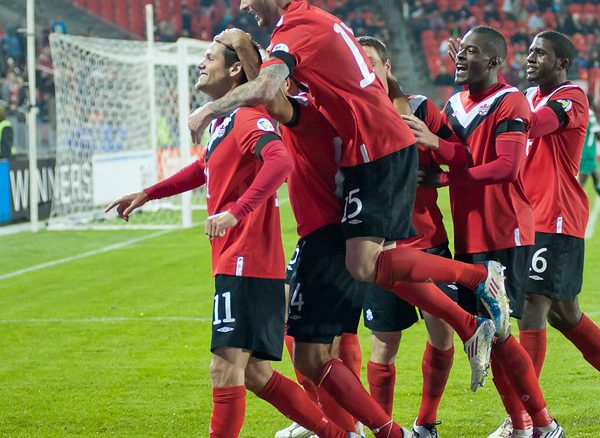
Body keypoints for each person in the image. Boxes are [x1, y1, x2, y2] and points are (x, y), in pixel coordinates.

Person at [187, 1, 510, 406]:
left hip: (369, 160)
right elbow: (272, 94)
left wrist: (212, 107)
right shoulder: (313, 77)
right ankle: (469, 316)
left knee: (344, 312)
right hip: (366, 160)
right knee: (367, 278)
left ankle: (480, 282)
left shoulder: (299, 39)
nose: (243, 5)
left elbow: (268, 92)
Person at [105, 39, 360, 438]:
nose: (200, 64)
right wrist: (148, 193)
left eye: (209, 58)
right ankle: (339, 435)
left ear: (236, 70)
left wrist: (236, 211)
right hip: (239, 262)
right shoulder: (227, 121)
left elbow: (281, 160)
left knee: (224, 368)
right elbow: (202, 168)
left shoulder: (247, 116)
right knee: (257, 374)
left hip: (247, 261)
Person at [217, 30, 410, 438]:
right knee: (323, 344)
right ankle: (356, 428)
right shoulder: (351, 112)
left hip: (326, 235)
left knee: (312, 354)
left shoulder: (313, 114)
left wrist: (244, 45)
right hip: (340, 231)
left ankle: (369, 430)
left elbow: (268, 98)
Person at [409, 26, 564, 438]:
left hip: (505, 232)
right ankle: (525, 423)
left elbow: (506, 167)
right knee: (487, 335)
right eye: (461, 52)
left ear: (495, 62)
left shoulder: (510, 100)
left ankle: (535, 423)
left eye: (473, 53)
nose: (460, 58)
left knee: (498, 338)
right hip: (469, 236)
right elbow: (458, 152)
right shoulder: (455, 102)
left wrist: (444, 180)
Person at [496, 30, 600, 436]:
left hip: (557, 217)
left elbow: (539, 125)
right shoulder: (525, 97)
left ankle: (524, 418)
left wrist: (490, 89)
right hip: (529, 219)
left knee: (531, 306)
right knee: (566, 314)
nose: (530, 59)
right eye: (528, 52)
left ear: (561, 63)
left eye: (540, 54)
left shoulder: (571, 96)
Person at [357, 35, 456, 438]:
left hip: (427, 240)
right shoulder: (350, 114)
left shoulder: (420, 109)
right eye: (358, 64)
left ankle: (426, 421)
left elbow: (457, 156)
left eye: (371, 63)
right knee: (384, 344)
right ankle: (383, 429)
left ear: (387, 66)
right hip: (381, 249)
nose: (366, 71)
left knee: (443, 333)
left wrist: (437, 176)